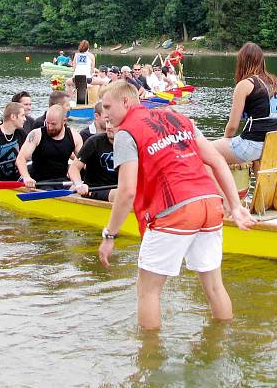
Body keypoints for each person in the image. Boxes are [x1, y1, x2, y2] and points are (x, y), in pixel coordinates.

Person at [97, 81, 255, 330]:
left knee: (147, 291)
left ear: (126, 102)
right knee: (214, 286)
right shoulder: (179, 117)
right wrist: (234, 206)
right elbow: (216, 160)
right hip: (210, 205)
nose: (104, 114)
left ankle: (149, 361)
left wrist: (109, 235)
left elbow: (127, 192)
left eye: (107, 106)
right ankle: (222, 342)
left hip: (175, 209)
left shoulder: (125, 133)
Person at [212, 42, 277, 164]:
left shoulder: (245, 84)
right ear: (261, 61)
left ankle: (217, 183)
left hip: (253, 146)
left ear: (242, 62)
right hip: (276, 145)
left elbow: (232, 126)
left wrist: (225, 140)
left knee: (204, 151)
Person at [16, 104, 83, 188]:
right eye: (47, 123)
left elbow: (83, 162)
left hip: (62, 182)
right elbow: (20, 158)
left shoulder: (75, 137)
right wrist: (26, 177)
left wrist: (79, 182)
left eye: (53, 124)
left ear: (64, 121)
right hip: (39, 183)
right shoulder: (36, 135)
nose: (50, 127)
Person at [68, 120, 118, 202]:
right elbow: (74, 168)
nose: (108, 126)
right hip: (94, 189)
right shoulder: (94, 142)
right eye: (107, 122)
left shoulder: (131, 144)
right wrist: (78, 184)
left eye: (112, 123)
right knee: (119, 195)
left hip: (120, 188)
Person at [72, 40, 95, 105]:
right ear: (88, 47)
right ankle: (97, 100)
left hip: (76, 78)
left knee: (67, 83)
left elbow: (74, 68)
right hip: (87, 78)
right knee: (102, 82)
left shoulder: (76, 55)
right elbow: (92, 70)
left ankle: (70, 98)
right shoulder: (91, 56)